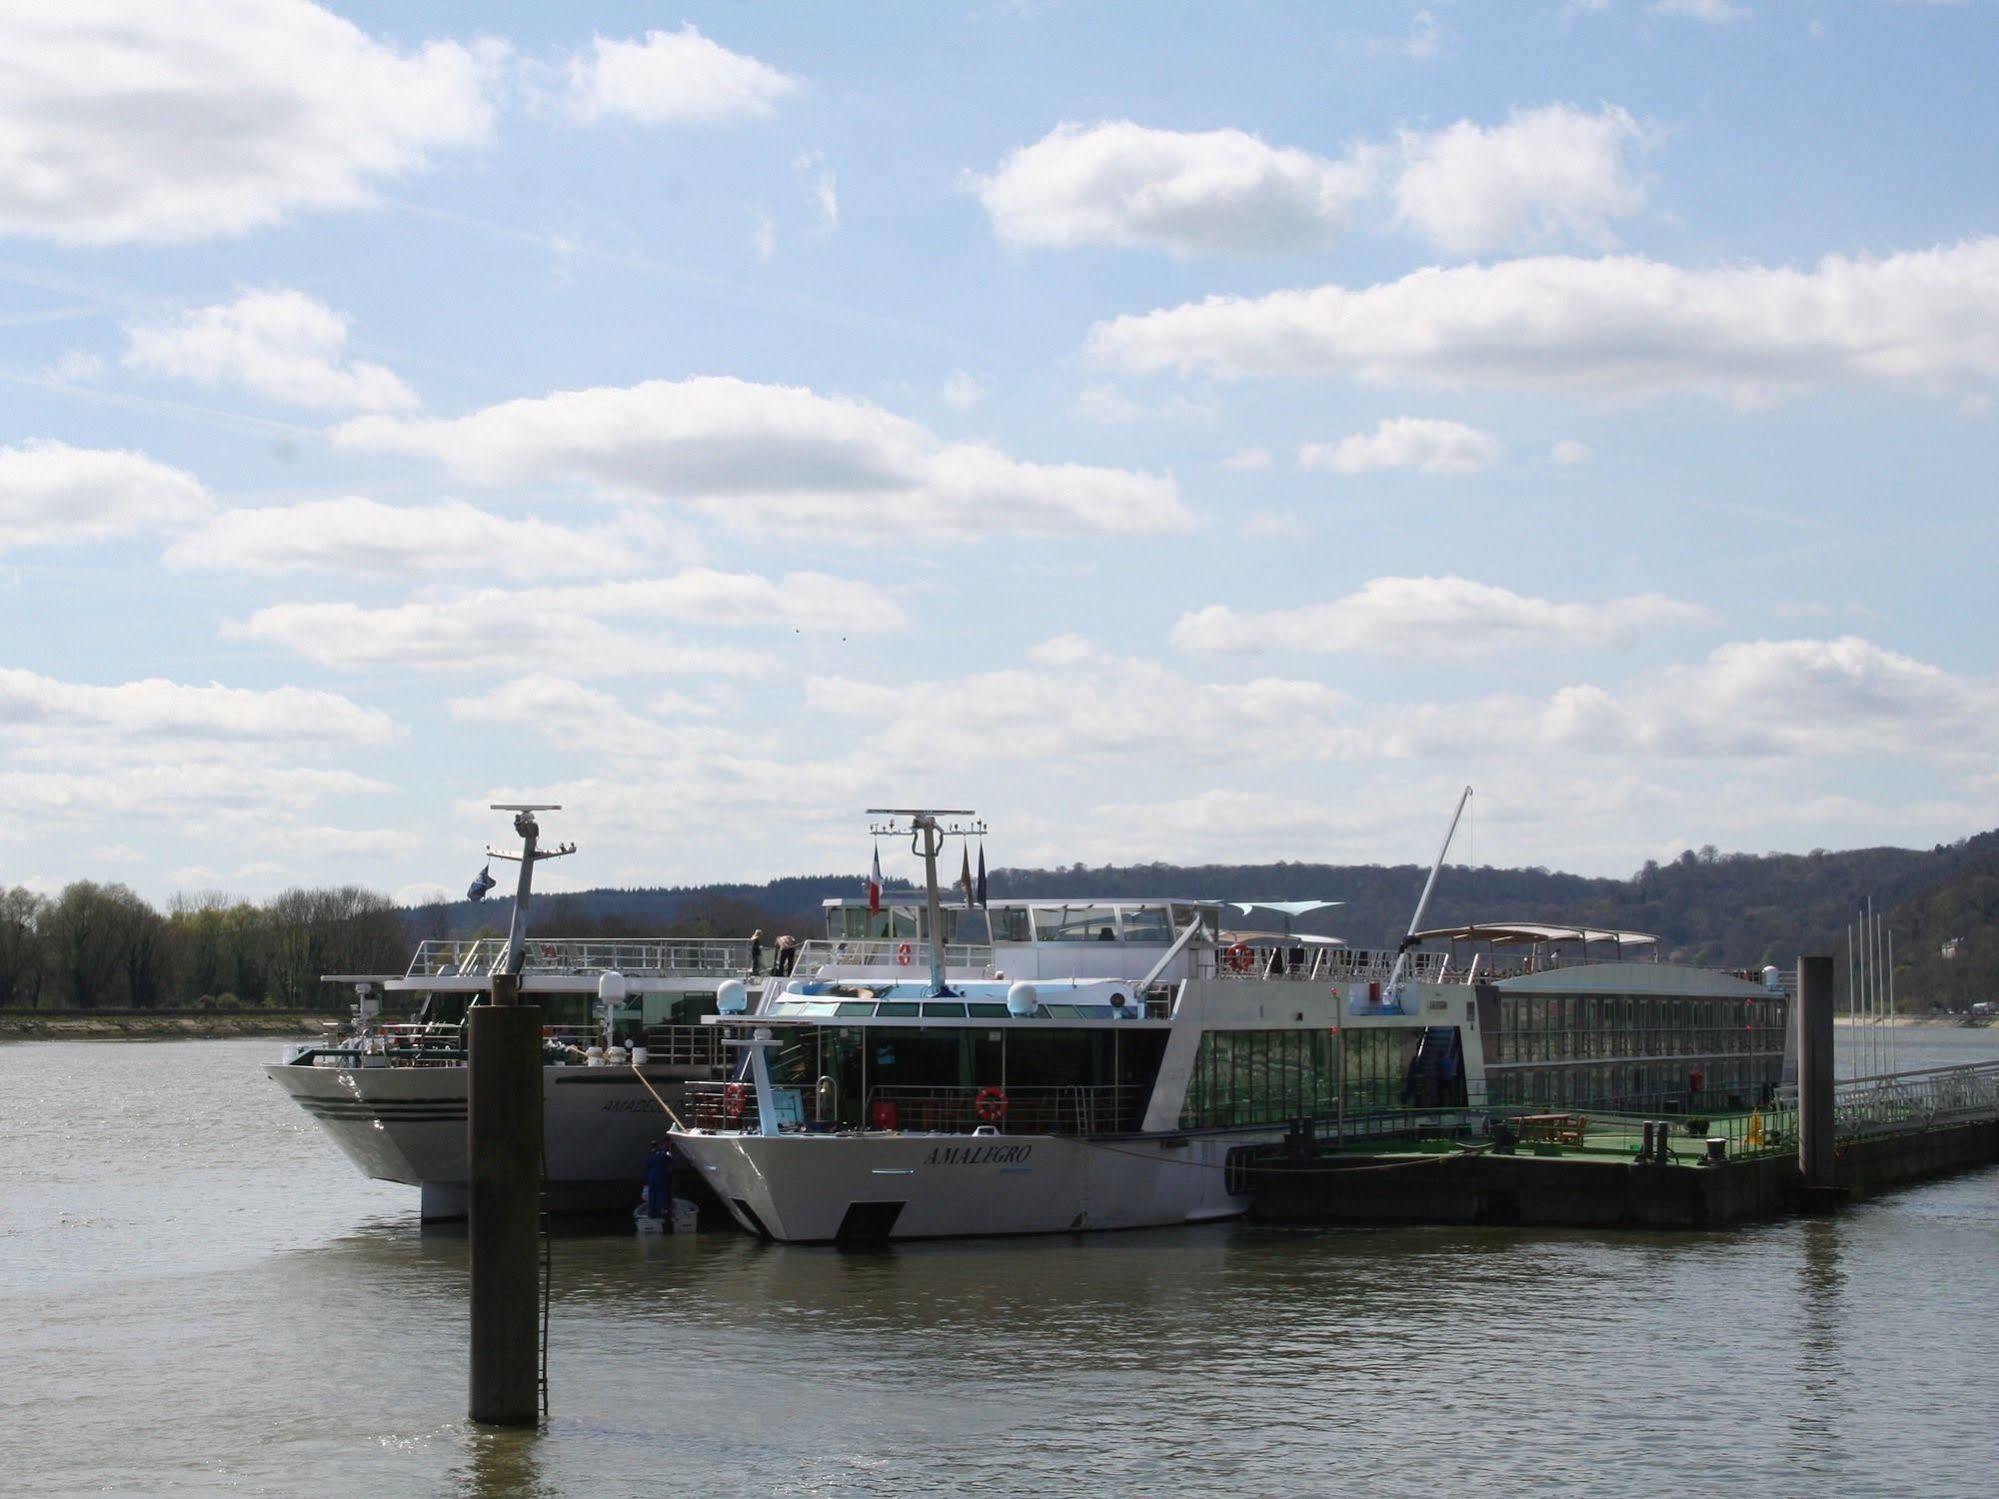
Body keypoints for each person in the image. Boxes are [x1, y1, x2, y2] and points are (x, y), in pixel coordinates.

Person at [643, 1138, 673, 1220]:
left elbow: (647, 1167)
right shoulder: (662, 1155)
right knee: (662, 1194)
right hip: (661, 1177)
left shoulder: (649, 1156)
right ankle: (663, 1211)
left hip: (651, 1178)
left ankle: (652, 1212)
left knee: (652, 1195)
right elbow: (670, 1161)